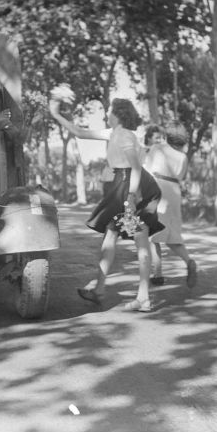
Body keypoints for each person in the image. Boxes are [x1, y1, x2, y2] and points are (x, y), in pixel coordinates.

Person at [49, 96, 164, 312]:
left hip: (131, 186)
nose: (107, 115)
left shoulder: (125, 135)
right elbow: (80, 132)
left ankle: (143, 297)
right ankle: (100, 289)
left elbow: (136, 168)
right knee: (111, 236)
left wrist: (130, 197)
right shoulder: (114, 133)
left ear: (119, 114)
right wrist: (56, 115)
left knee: (139, 240)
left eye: (110, 111)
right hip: (122, 185)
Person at [144, 121, 197, 288]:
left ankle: (158, 274)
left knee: (153, 234)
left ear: (167, 135)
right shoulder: (183, 157)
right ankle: (189, 261)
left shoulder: (157, 148)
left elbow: (146, 170)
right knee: (172, 234)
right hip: (174, 192)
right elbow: (180, 176)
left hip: (158, 188)